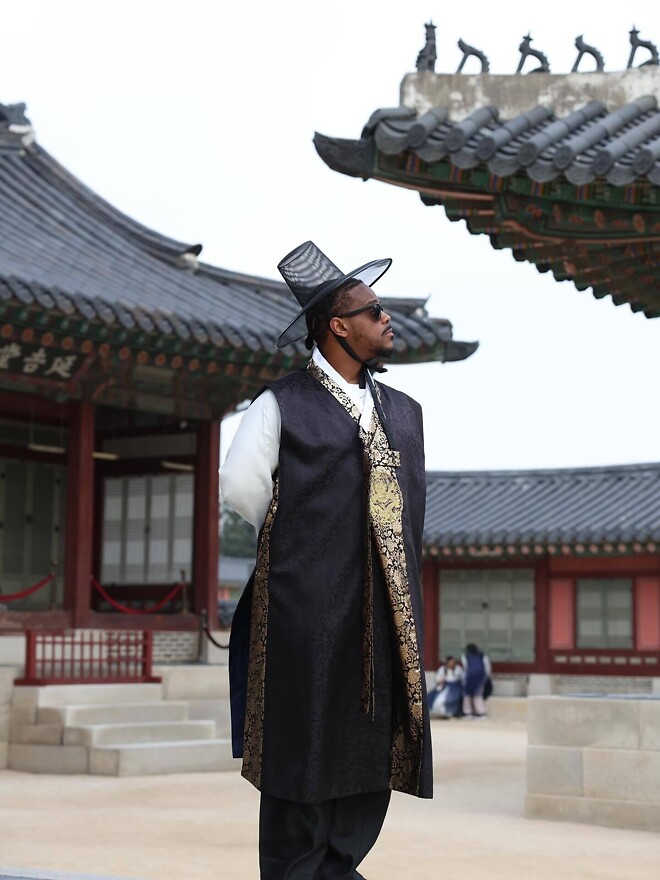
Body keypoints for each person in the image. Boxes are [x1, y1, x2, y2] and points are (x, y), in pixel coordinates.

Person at [220, 240, 433, 880]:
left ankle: (340, 868)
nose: (387, 319)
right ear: (337, 326)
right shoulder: (281, 403)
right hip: (304, 608)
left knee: (371, 745)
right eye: (373, 311)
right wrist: (307, 546)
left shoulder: (405, 413)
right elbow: (242, 491)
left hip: (387, 612)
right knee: (302, 742)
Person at [461, 643, 492, 718]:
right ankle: (481, 712)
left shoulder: (465, 656)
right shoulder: (483, 656)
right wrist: (486, 677)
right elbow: (487, 667)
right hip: (480, 677)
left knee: (467, 695)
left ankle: (468, 712)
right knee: (478, 695)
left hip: (469, 676)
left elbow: (465, 667)